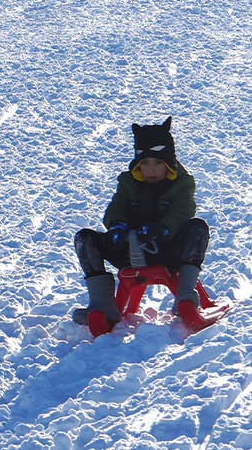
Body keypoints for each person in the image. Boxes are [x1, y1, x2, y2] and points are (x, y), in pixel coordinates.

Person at [73, 118, 214, 336]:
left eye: (158, 163)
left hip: (168, 250)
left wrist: (163, 229)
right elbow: (116, 208)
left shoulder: (182, 184)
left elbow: (183, 210)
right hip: (131, 249)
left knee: (197, 228)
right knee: (85, 238)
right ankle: (103, 306)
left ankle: (185, 298)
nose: (151, 170)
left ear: (168, 164)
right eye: (145, 163)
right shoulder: (129, 182)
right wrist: (117, 226)